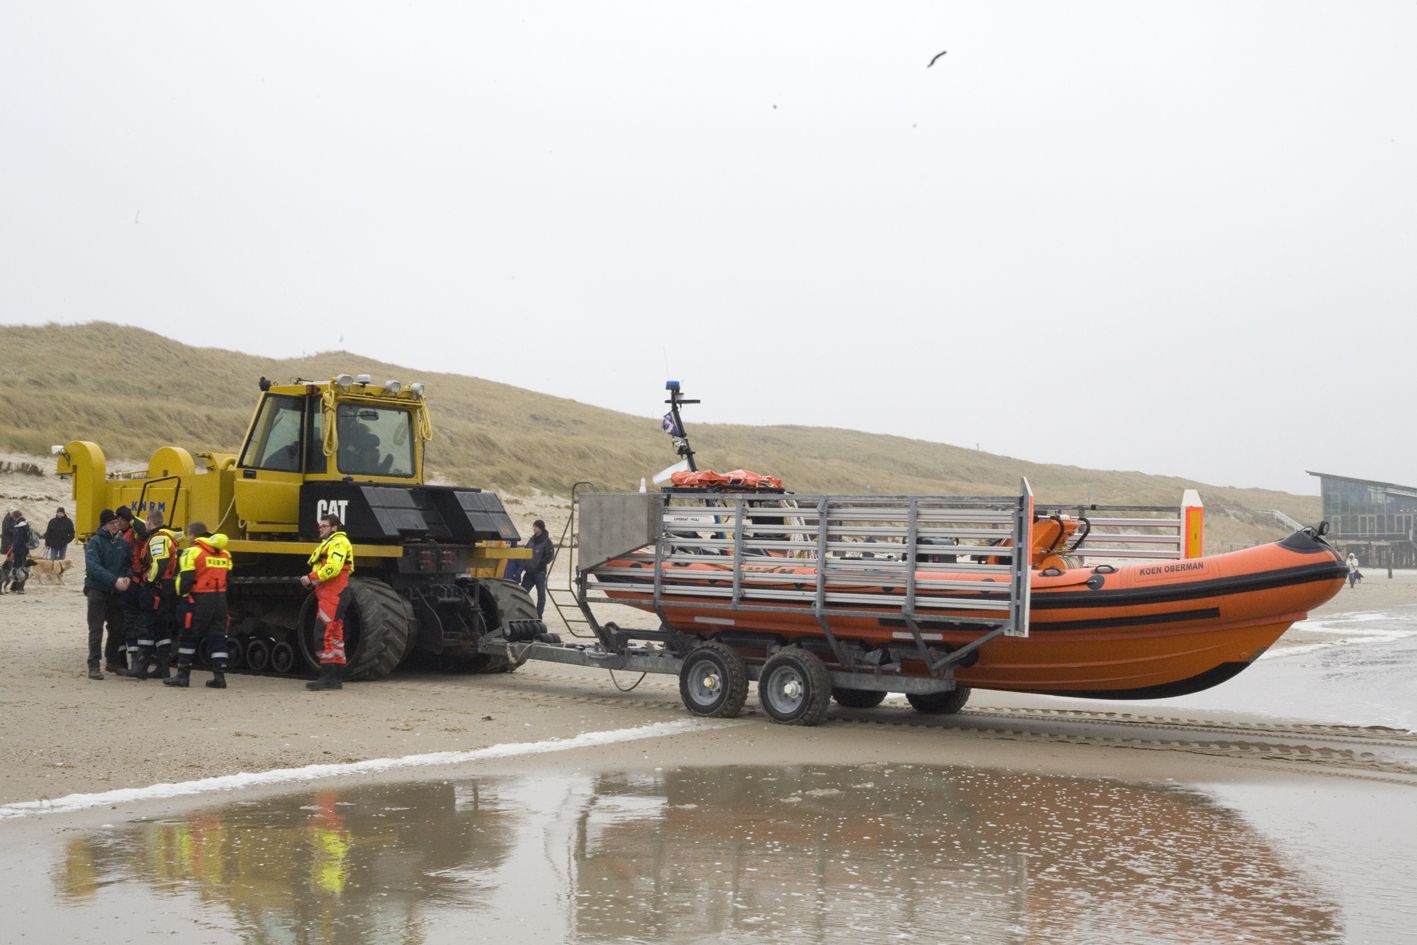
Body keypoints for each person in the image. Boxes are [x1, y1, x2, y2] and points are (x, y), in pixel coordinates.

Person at [164, 521, 233, 689]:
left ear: (192, 535)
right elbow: (229, 579)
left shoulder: (192, 552)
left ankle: (183, 675)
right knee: (217, 637)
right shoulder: (224, 554)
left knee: (188, 635)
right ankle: (219, 676)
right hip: (219, 600)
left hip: (198, 600)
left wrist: (181, 595)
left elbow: (185, 578)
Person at [302, 513, 354, 691]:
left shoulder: (338, 542)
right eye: (320, 526)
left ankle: (328, 676)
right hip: (333, 593)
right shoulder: (332, 542)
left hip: (333, 594)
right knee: (335, 635)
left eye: (324, 526)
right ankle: (336, 675)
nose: (320, 529)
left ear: (334, 527)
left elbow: (333, 568)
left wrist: (311, 578)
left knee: (322, 633)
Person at [129, 509, 181, 680]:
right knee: (161, 627)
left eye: (146, 522)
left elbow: (159, 563)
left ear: (150, 522)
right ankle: (163, 668)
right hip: (166, 587)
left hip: (156, 587)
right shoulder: (168, 536)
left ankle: (141, 667)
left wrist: (150, 582)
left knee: (146, 625)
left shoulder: (158, 539)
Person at [83, 509, 132, 679]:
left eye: (117, 522)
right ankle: (94, 665)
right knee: (96, 629)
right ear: (104, 524)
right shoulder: (94, 543)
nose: (116, 525)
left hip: (116, 592)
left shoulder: (122, 543)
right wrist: (114, 580)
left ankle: (112, 661)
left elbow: (128, 563)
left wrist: (127, 577)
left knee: (117, 628)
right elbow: (93, 567)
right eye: (112, 523)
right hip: (97, 589)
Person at [114, 507, 149, 676]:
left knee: (131, 622)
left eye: (121, 519)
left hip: (133, 583)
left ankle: (136, 662)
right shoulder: (124, 534)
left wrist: (132, 518)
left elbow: (144, 533)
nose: (118, 523)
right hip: (129, 582)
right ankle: (130, 660)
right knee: (128, 622)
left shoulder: (134, 532)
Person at [520, 519, 554, 617]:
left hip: (540, 573)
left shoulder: (547, 541)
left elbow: (550, 556)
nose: (533, 528)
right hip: (529, 572)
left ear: (540, 528)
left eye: (535, 527)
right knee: (522, 593)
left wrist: (540, 564)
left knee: (541, 596)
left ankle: (539, 616)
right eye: (533, 526)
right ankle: (522, 614)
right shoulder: (531, 540)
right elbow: (526, 552)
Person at [5, 511, 34, 593]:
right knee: (20, 568)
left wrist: (13, 552)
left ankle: (19, 588)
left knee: (18, 569)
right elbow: (27, 540)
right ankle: (15, 587)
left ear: (15, 517)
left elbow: (17, 541)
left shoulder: (19, 527)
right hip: (24, 550)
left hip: (18, 551)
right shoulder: (27, 526)